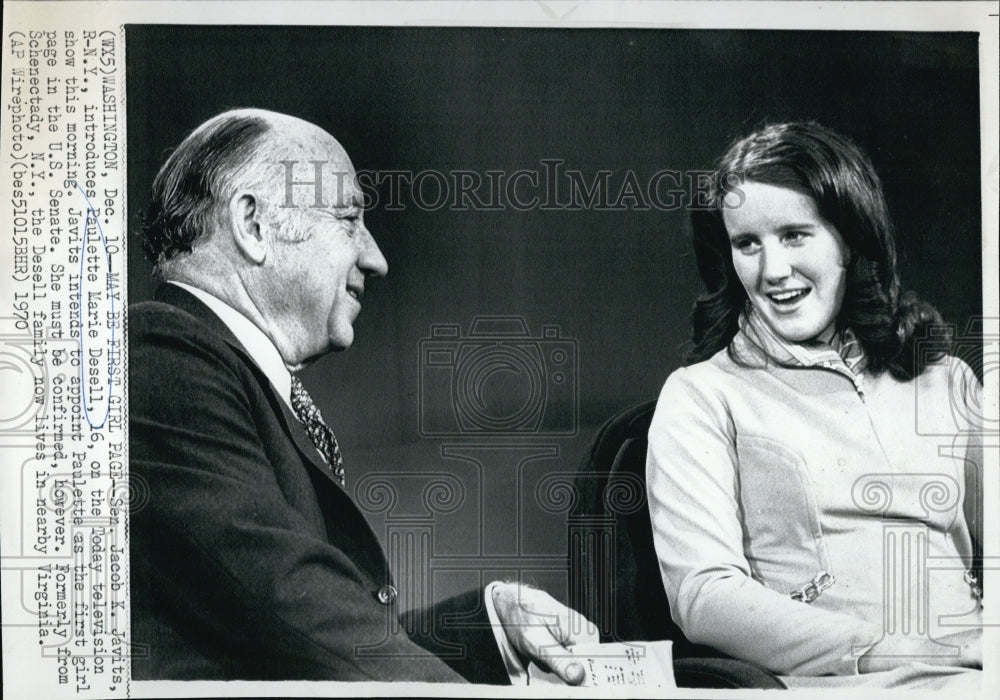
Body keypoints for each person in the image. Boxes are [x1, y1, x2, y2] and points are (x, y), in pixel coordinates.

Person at [129, 108, 596, 682]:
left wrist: (490, 623)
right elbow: (294, 611)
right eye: (349, 219)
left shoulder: (215, 370)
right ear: (253, 226)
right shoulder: (161, 353)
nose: (376, 259)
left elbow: (309, 637)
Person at [645, 122, 984, 689]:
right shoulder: (702, 395)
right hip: (841, 684)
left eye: (795, 235)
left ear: (849, 239)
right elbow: (704, 596)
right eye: (747, 244)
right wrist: (896, 649)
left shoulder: (946, 381)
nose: (772, 270)